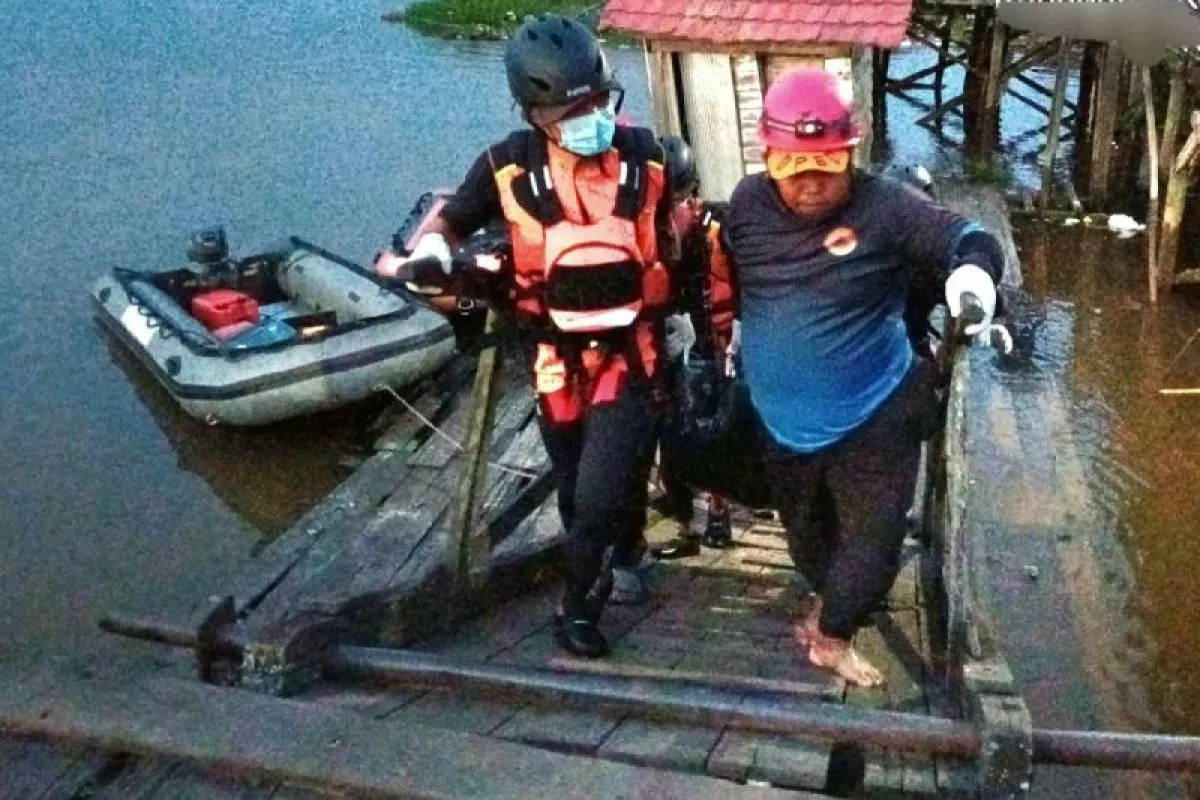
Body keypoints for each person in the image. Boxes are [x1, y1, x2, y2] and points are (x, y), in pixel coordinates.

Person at [377, 14, 688, 658]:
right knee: (576, 486)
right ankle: (624, 553)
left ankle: (577, 608)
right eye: (571, 111)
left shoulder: (647, 158)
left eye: (599, 103)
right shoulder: (505, 166)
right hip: (553, 358)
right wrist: (433, 254)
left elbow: (672, 240)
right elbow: (451, 224)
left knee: (601, 487)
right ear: (533, 112)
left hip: (631, 353)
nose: (589, 119)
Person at [720, 67, 1005, 686]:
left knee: (875, 546)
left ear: (851, 153)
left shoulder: (887, 207)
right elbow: (733, 283)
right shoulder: (745, 207)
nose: (810, 183)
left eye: (826, 166)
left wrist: (974, 276)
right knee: (806, 538)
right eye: (793, 167)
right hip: (780, 419)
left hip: (875, 407)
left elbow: (970, 237)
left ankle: (831, 635)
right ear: (766, 157)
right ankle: (830, 603)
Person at [647, 134, 737, 559]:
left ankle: (718, 513)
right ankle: (683, 522)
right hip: (664, 338)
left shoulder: (719, 227)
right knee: (669, 429)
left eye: (679, 198)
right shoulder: (643, 228)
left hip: (711, 340)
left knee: (714, 427)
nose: (673, 210)